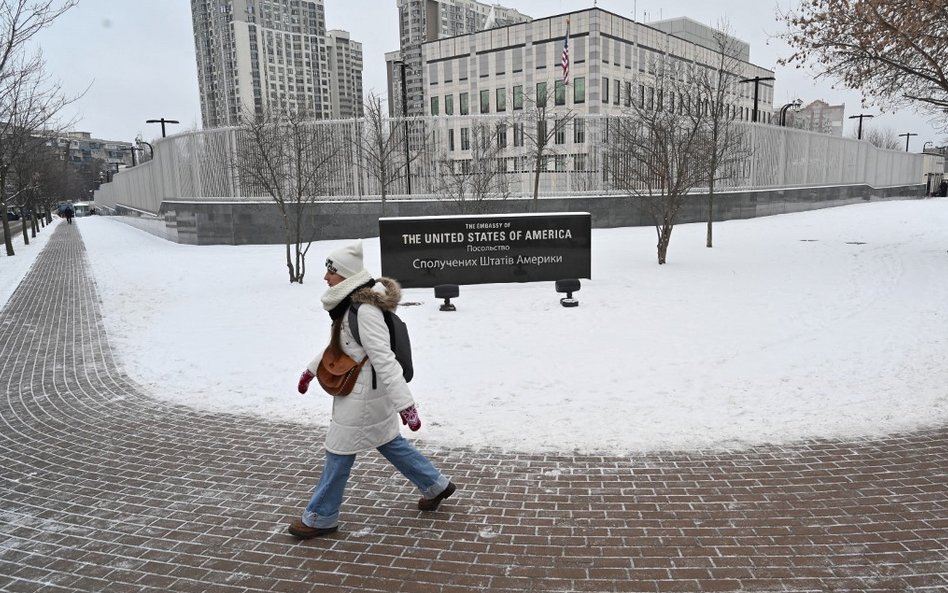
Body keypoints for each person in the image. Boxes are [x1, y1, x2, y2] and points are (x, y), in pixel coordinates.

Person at [289, 239, 455, 539]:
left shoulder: (364, 310)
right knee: (389, 442)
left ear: (346, 275)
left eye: (331, 272)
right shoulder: (349, 303)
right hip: (365, 393)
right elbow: (341, 346)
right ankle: (436, 485)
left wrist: (407, 406)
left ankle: (320, 517)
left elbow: (385, 359)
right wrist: (311, 370)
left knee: (338, 452)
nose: (326, 278)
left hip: (363, 396)